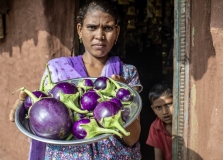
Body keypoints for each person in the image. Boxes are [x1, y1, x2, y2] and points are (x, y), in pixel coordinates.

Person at [9, 0, 143, 159]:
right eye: (92, 27)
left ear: (117, 32)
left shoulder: (126, 73)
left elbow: (132, 138)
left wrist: (124, 95)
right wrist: (27, 109)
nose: (99, 36)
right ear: (80, 30)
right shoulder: (57, 70)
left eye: (107, 28)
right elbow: (45, 121)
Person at [146, 82, 173, 160]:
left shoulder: (185, 122)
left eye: (168, 104)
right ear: (153, 109)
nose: (165, 112)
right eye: (158, 107)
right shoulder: (155, 127)